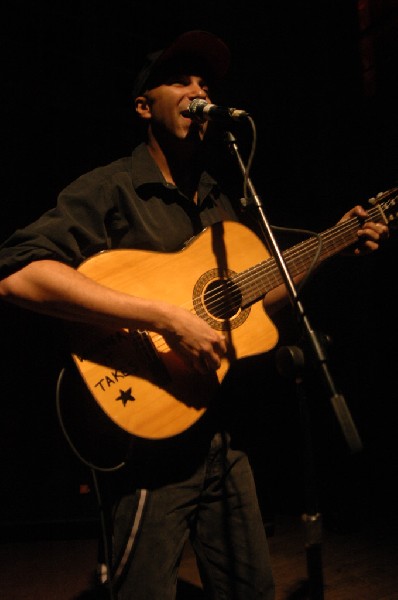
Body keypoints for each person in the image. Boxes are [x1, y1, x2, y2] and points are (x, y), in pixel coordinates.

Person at [0, 29, 389, 600]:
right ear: (143, 105)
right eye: (180, 79)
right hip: (146, 445)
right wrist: (164, 317)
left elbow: (248, 306)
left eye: (205, 82)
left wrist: (330, 246)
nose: (198, 90)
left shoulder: (221, 200)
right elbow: (17, 275)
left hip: (222, 438)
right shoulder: (110, 188)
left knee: (250, 589)